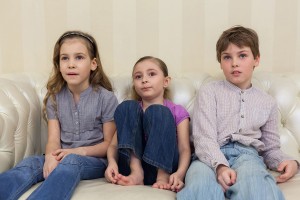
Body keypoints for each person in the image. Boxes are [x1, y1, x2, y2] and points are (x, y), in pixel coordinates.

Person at [177, 26, 299, 200]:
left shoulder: (268, 102)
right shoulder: (209, 91)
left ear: (256, 59)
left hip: (247, 156)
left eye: (242, 55)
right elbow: (204, 138)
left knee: (257, 186)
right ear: (220, 62)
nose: (234, 63)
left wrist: (289, 162)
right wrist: (220, 166)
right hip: (207, 156)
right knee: (200, 186)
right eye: (227, 57)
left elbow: (271, 149)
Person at [0, 30, 118, 200]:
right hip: (62, 155)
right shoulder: (55, 98)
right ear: (58, 64)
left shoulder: (106, 98)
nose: (71, 64)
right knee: (31, 163)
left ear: (93, 64)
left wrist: (78, 151)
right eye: (65, 58)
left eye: (79, 57)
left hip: (94, 160)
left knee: (72, 162)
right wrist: (49, 157)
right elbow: (53, 140)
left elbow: (109, 144)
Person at [104, 56, 191, 192]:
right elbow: (114, 145)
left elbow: (184, 149)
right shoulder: (130, 110)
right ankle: (136, 170)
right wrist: (112, 163)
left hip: (166, 168)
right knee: (127, 106)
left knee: (158, 112)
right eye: (138, 77)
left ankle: (162, 175)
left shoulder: (177, 111)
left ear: (166, 81)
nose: (144, 80)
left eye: (151, 74)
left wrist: (180, 174)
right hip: (131, 168)